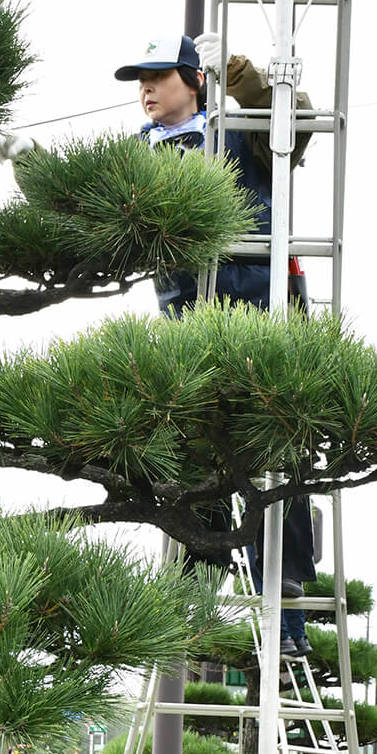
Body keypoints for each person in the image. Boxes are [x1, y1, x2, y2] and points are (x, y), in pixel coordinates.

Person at [112, 33, 315, 657]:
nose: (146, 90)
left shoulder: (242, 126)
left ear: (193, 79)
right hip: (187, 323)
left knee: (279, 464)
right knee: (194, 463)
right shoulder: (132, 155)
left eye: (160, 76)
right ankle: (195, 618)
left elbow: (300, 119)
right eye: (138, 80)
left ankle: (286, 625)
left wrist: (235, 68)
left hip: (265, 314)